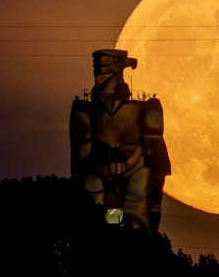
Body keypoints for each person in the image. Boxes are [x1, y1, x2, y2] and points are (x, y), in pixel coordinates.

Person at [69, 49, 171, 234]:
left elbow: (158, 163)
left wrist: (154, 203)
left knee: (137, 211)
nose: (102, 73)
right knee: (93, 209)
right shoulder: (84, 111)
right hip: (96, 173)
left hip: (136, 171)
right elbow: (79, 162)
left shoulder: (147, 109)